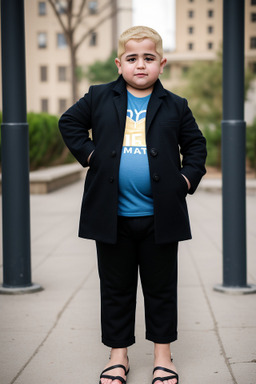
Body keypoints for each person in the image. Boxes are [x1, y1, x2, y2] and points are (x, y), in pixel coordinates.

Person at [59, 25, 207, 384]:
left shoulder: (176, 105)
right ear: (119, 63)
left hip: (160, 218)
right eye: (132, 58)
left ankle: (162, 356)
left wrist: (185, 180)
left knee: (160, 289)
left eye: (148, 58)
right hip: (112, 218)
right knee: (116, 289)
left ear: (162, 63)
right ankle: (118, 356)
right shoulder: (97, 97)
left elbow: (197, 148)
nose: (140, 65)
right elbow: (69, 123)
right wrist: (92, 155)